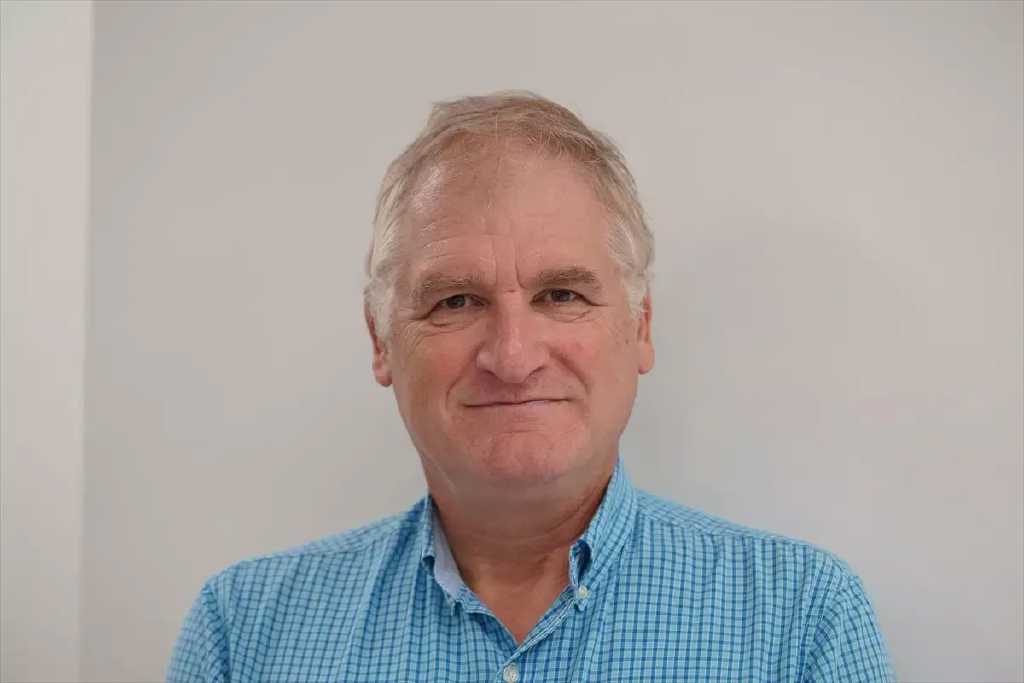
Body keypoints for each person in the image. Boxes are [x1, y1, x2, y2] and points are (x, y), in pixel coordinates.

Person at [168, 91, 894, 682]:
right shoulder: (244, 634)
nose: (512, 357)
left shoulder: (801, 621)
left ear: (640, 326)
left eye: (561, 295)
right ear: (380, 340)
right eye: (456, 301)